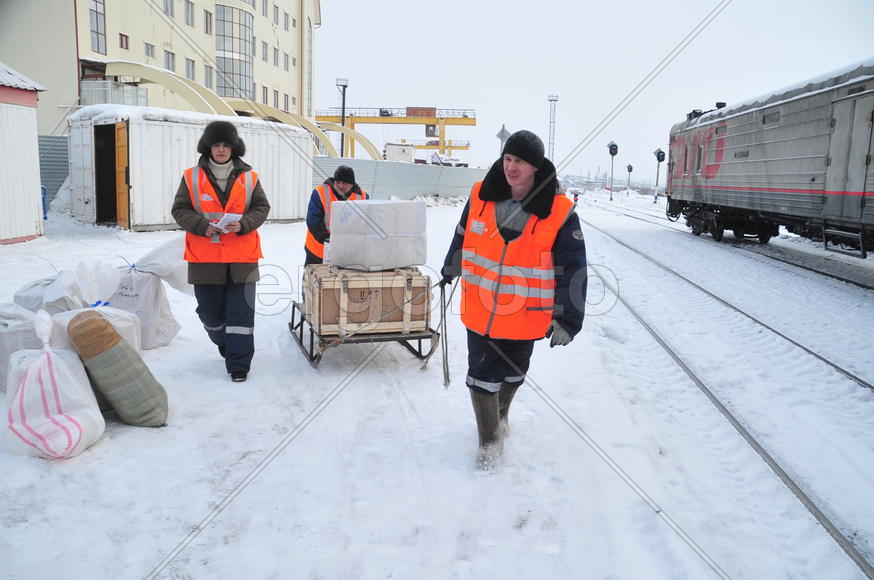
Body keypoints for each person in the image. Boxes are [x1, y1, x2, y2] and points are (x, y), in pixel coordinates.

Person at [441, 130, 587, 469]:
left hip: (525, 315)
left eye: (519, 160)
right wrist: (452, 264)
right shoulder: (480, 195)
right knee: (480, 376)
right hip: (480, 310)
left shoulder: (560, 212)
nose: (511, 166)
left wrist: (568, 319)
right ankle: (489, 442)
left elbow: (573, 267)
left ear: (535, 166)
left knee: (513, 373)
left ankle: (501, 413)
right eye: (508, 159)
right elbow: (463, 233)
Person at [171, 120, 270, 383]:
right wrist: (202, 226)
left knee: (241, 314)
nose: (221, 149)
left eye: (226, 144)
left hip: (242, 258)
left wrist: (244, 224)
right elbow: (180, 210)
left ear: (234, 147)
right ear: (209, 147)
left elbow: (262, 208)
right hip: (206, 259)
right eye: (216, 144)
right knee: (209, 313)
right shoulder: (192, 176)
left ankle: (239, 364)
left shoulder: (250, 177)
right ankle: (223, 341)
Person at [303, 165, 368, 265]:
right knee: (312, 279)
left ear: (352, 184)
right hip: (318, 250)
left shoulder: (363, 197)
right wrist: (327, 239)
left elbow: (367, 224)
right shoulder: (320, 192)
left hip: (347, 253)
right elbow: (313, 220)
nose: (340, 186)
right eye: (337, 182)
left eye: (344, 183)